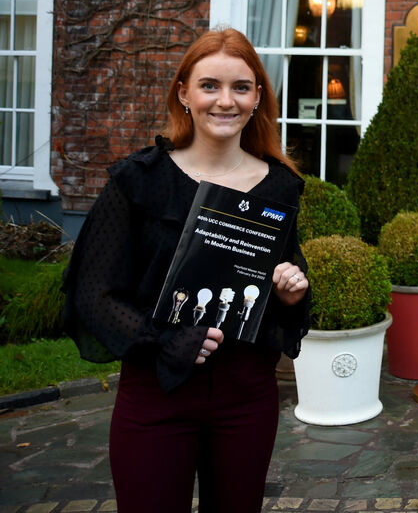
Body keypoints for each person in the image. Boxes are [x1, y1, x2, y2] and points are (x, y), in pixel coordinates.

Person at [63, 28, 311, 513]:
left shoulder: (279, 187)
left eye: (241, 87)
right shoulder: (139, 180)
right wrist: (163, 340)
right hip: (157, 394)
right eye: (210, 86)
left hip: (245, 398)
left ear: (258, 97)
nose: (226, 101)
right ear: (184, 94)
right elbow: (93, 293)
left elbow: (282, 273)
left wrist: (291, 289)